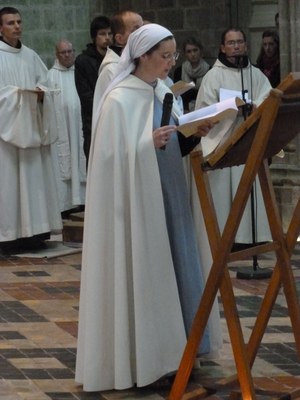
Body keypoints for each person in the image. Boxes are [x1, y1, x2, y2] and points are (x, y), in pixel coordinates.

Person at [75, 23, 218, 392]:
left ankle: (182, 351)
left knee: (180, 269)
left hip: (171, 198)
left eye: (173, 55)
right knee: (150, 273)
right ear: (142, 56)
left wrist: (190, 133)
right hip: (138, 210)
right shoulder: (119, 98)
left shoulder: (162, 91)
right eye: (165, 56)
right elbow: (108, 163)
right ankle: (151, 357)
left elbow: (171, 144)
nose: (171, 62)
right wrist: (145, 142)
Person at [195, 28, 272, 245]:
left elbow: (268, 99)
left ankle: (253, 238)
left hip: (250, 143)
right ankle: (226, 239)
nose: (236, 46)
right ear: (222, 48)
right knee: (223, 192)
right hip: (223, 141)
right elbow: (205, 110)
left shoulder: (255, 74)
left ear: (246, 45)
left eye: (239, 42)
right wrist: (230, 110)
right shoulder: (213, 76)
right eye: (231, 43)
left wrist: (253, 107)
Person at [0, 7, 62, 251]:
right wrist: (18, 96)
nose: (17, 26)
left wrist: (39, 94)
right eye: (10, 23)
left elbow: (45, 83)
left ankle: (35, 233)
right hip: (8, 135)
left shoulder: (31, 55)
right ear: (0, 28)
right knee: (9, 182)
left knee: (35, 182)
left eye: (19, 21)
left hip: (32, 130)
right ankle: (9, 235)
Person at [48, 40, 86, 216]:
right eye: (63, 52)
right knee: (62, 164)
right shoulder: (50, 76)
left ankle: (83, 201)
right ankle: (65, 205)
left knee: (81, 159)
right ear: (57, 55)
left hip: (80, 128)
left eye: (70, 51)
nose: (67, 55)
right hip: (61, 132)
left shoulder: (81, 73)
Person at [74, 15, 112, 165]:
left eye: (109, 34)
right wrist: (107, 108)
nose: (107, 38)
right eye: (102, 34)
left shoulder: (117, 58)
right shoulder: (82, 61)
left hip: (114, 119)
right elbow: (85, 95)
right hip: (94, 121)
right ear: (94, 37)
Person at [92, 10, 143, 116]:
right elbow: (114, 114)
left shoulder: (139, 62)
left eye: (143, 28)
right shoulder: (111, 70)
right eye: (137, 29)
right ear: (120, 38)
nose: (143, 33)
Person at [174, 37, 210, 111]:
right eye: (189, 51)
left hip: (205, 110)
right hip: (184, 111)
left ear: (200, 51)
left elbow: (208, 94)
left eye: (195, 50)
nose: (193, 54)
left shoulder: (210, 71)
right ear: (185, 54)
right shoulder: (179, 71)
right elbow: (177, 95)